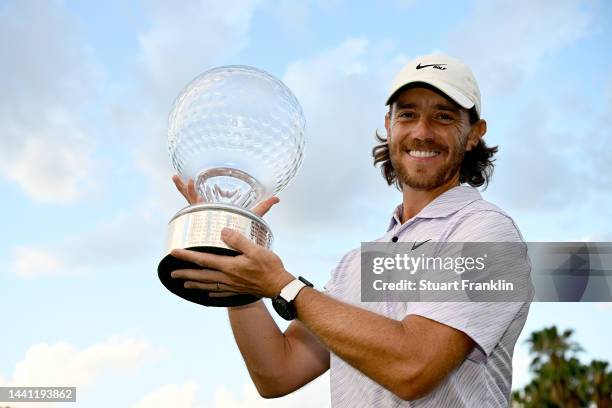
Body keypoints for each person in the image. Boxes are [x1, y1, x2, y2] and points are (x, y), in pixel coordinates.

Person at [170, 53, 532, 407]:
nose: (422, 132)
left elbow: (415, 367)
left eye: (443, 117)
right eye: (407, 114)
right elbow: (277, 372)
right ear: (389, 125)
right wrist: (236, 259)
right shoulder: (356, 265)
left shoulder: (489, 233)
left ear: (474, 134)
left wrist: (283, 286)